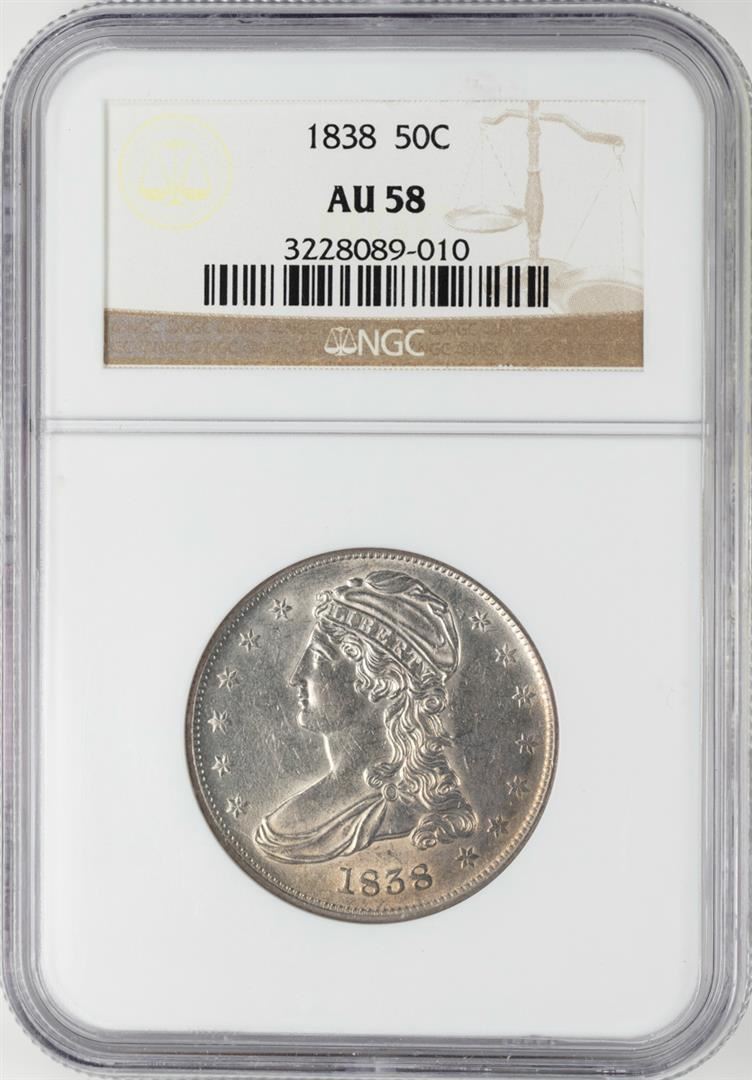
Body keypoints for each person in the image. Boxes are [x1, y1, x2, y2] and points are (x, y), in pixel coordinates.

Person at [255, 569, 476, 863]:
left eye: (319, 658)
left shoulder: (407, 817)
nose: (297, 676)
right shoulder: (286, 821)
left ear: (381, 682)